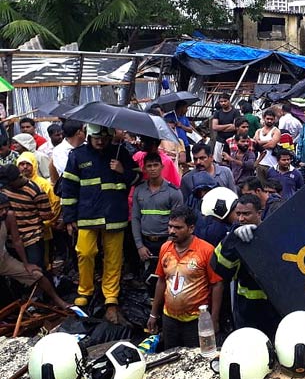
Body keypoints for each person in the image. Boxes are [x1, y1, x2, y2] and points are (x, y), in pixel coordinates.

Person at [61, 124, 140, 323]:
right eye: (96, 137)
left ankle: (111, 296)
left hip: (114, 215)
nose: (100, 141)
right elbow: (68, 188)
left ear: (110, 136)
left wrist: (123, 170)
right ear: (89, 135)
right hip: (87, 215)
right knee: (85, 253)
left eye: (104, 138)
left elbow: (138, 177)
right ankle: (85, 291)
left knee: (114, 257)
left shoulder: (120, 153)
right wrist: (69, 218)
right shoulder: (77, 156)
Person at [148, 206, 223, 349]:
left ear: (191, 228)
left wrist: (214, 319)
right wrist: (153, 314)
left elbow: (217, 285)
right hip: (169, 317)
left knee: (196, 359)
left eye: (177, 228)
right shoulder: (165, 248)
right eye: (170, 226)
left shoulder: (206, 250)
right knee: (171, 356)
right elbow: (161, 281)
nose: (171, 231)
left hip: (196, 319)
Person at [210, 193, 282, 337]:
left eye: (246, 214)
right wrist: (233, 239)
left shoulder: (273, 235)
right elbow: (220, 267)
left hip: (274, 308)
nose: (241, 219)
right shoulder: (234, 237)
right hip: (246, 310)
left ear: (259, 213)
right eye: (238, 214)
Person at [0, 193, 69, 308]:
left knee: (37, 274)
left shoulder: (9, 217)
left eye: (6, 208)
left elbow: (17, 240)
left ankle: (58, 301)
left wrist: (26, 264)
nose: (4, 212)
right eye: (1, 209)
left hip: (3, 260)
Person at [132, 153, 184, 263]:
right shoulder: (139, 190)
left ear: (162, 167)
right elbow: (135, 218)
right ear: (144, 169)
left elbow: (178, 221)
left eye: (156, 165)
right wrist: (139, 246)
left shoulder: (173, 192)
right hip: (145, 242)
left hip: (166, 240)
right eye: (149, 166)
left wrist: (169, 245)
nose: (153, 169)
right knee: (147, 277)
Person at [0, 164, 53, 269]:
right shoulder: (4, 188)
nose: (8, 185)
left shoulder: (36, 191)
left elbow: (46, 215)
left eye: (10, 183)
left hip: (32, 237)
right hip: (11, 238)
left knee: (36, 269)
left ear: (18, 178)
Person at [17, 152, 61, 259]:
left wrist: (47, 223)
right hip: (20, 232)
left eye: (28, 164)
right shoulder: (15, 185)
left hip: (43, 231)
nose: (25, 167)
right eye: (21, 164)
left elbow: (55, 204)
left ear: (34, 165)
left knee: (43, 259)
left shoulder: (43, 184)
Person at [253, 109, 281, 185]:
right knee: (260, 186)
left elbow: (272, 145)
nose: (269, 121)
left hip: (272, 164)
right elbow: (255, 144)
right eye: (267, 119)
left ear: (274, 119)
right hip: (260, 163)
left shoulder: (276, 131)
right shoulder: (259, 131)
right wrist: (268, 141)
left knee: (272, 186)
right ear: (264, 118)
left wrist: (260, 144)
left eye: (271, 119)